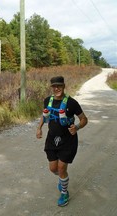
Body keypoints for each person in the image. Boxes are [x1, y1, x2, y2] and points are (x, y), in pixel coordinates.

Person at [36, 76, 88, 207]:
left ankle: (64, 193)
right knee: (53, 168)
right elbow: (44, 115)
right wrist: (39, 128)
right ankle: (62, 179)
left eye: (59, 86)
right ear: (51, 87)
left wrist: (76, 127)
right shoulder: (48, 100)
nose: (57, 88)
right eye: (54, 86)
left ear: (64, 86)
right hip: (52, 139)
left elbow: (84, 119)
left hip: (68, 140)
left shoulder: (72, 103)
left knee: (61, 167)